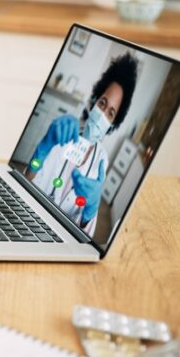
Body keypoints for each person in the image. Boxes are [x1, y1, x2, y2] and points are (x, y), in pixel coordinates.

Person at [27, 53, 139, 236]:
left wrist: (90, 211)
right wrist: (42, 150)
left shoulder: (101, 160)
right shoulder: (63, 133)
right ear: (94, 101)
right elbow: (29, 182)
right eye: (102, 103)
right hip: (31, 219)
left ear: (113, 124)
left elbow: (83, 234)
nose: (102, 114)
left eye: (111, 113)